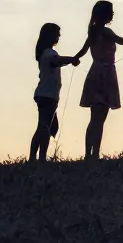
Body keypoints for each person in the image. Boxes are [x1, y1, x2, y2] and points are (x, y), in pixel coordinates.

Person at [74, 0, 123, 160]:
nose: (113, 14)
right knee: (100, 118)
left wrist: (74, 59)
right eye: (110, 11)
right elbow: (119, 40)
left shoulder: (92, 32)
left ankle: (88, 153)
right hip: (106, 74)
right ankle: (95, 154)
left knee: (94, 118)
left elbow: (82, 51)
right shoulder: (105, 32)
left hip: (94, 72)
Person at [29, 22, 81, 163]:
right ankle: (40, 157)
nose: (59, 36)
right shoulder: (48, 53)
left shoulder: (46, 53)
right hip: (47, 95)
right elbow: (57, 61)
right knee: (44, 128)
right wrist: (72, 59)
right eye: (57, 34)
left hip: (47, 95)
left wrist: (70, 60)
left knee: (46, 126)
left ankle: (35, 157)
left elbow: (58, 61)